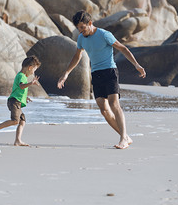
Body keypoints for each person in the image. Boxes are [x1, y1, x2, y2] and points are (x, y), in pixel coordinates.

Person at [57, 10, 146, 149]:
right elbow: (77, 56)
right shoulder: (81, 38)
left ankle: (123, 138)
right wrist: (66, 73)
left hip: (110, 71)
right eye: (78, 28)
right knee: (104, 110)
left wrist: (137, 65)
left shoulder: (104, 35)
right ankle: (126, 137)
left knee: (113, 104)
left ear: (90, 23)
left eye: (82, 27)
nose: (81, 31)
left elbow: (123, 48)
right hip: (96, 74)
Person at [0, 55, 41, 146]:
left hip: (17, 101)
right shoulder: (21, 76)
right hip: (14, 102)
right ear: (30, 68)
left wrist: (25, 98)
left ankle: (18, 140)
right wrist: (31, 83)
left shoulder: (22, 76)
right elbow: (21, 86)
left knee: (22, 121)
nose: (34, 72)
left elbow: (19, 90)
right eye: (34, 69)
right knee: (15, 121)